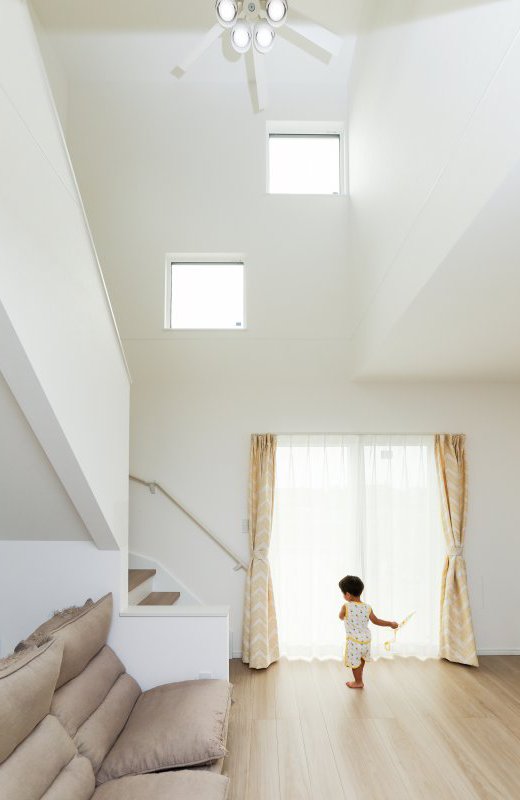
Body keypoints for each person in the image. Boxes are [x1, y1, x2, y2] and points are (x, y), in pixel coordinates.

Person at [338, 575, 398, 689]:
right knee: (361, 659)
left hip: (354, 641)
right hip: (366, 641)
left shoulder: (346, 606)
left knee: (355, 663)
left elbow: (340, 617)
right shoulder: (367, 607)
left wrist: (343, 615)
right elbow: (376, 621)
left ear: (348, 595)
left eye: (343, 593)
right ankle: (359, 679)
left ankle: (358, 682)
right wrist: (390, 623)